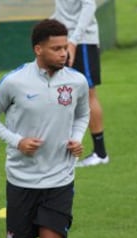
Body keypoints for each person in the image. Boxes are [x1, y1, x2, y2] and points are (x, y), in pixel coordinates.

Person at [0, 19, 90, 238]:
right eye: (56, 48)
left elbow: (82, 114)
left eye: (65, 47)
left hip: (60, 179)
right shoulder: (14, 81)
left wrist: (76, 138)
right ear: (38, 49)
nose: (63, 54)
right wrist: (17, 141)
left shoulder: (77, 82)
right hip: (22, 180)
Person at [52, 0, 109, 167]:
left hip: (82, 42)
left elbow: (89, 6)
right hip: (65, 41)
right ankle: (68, 150)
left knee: (89, 94)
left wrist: (74, 40)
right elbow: (63, 11)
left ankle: (100, 153)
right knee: (66, 95)